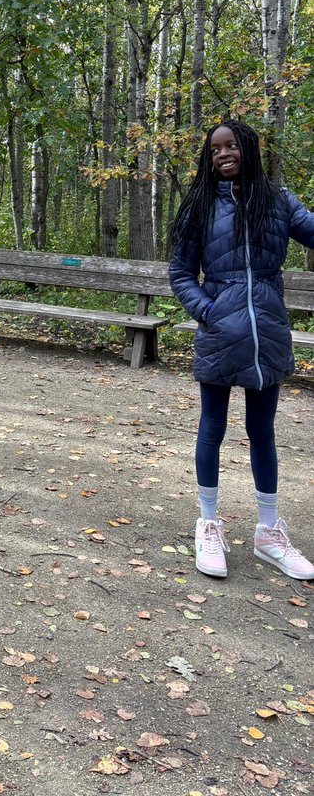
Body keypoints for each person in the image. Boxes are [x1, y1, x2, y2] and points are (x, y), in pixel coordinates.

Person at [169, 120, 314, 582]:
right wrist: (208, 312)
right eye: (215, 149)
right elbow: (180, 273)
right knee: (212, 427)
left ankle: (269, 533)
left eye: (231, 145)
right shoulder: (200, 208)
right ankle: (208, 524)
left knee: (262, 431)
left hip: (267, 333)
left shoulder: (277, 200)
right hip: (219, 332)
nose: (223, 154)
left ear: (248, 149)